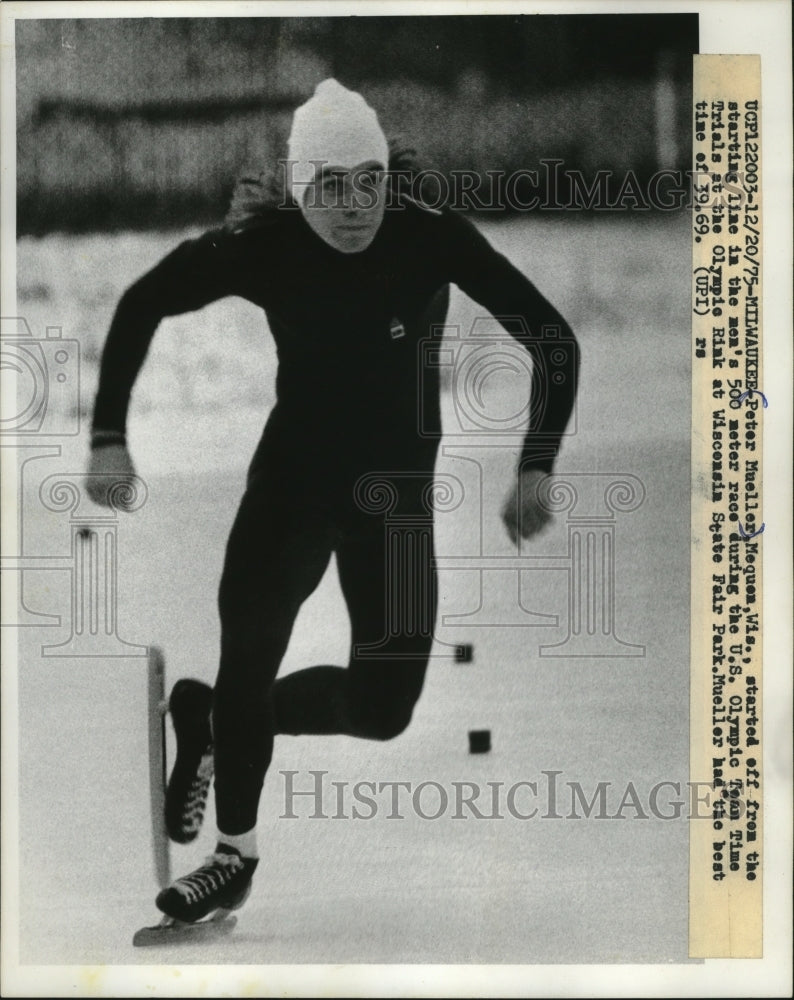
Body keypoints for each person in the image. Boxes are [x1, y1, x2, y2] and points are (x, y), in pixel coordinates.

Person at [87, 79, 579, 923]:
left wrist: (536, 464)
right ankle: (233, 855)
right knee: (252, 639)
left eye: (368, 182)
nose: (352, 207)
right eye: (328, 187)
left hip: (395, 500)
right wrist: (107, 437)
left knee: (383, 709)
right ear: (298, 185)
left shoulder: (429, 238)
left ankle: (208, 722)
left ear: (386, 177)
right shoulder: (267, 246)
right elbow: (142, 302)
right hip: (295, 482)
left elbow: (552, 341)